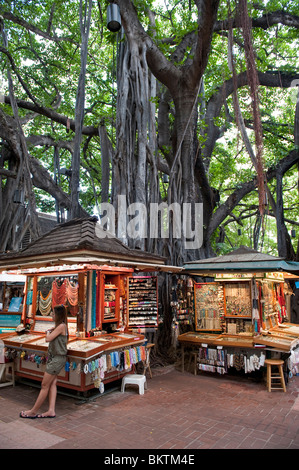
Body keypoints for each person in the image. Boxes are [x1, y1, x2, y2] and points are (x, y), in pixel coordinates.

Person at [20, 304, 68, 419]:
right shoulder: (60, 326)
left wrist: (48, 332)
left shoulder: (61, 326)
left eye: (53, 313)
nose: (52, 315)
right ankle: (51, 410)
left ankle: (33, 411)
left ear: (58, 315)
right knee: (52, 384)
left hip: (56, 359)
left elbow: (48, 339)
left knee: (44, 385)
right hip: (55, 358)